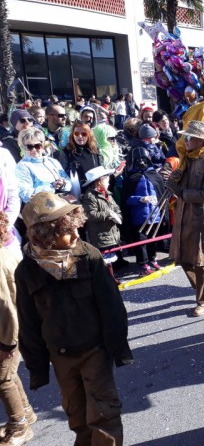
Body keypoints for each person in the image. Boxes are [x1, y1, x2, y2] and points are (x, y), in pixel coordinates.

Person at [15, 193, 132, 446]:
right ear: (45, 234)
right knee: (77, 417)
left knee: (103, 414)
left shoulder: (88, 256)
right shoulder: (26, 271)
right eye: (68, 232)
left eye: (76, 228)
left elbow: (112, 308)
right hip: (61, 356)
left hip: (94, 351)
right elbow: (28, 323)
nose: (77, 236)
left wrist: (118, 349)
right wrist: (36, 368)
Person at [167, 121, 204, 317]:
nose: (186, 141)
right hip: (184, 216)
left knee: (200, 261)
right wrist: (173, 179)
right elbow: (177, 187)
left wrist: (182, 193)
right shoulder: (187, 160)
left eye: (189, 137)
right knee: (181, 258)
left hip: (202, 219)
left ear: (200, 141)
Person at [0, 211, 37, 446]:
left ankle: (20, 426)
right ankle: (25, 412)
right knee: (9, 375)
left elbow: (6, 308)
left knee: (2, 379)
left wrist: (7, 344)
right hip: (16, 326)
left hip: (9, 331)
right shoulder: (6, 250)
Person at [122, 147, 165, 276]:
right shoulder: (130, 179)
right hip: (138, 217)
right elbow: (126, 200)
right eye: (138, 160)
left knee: (153, 239)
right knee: (141, 242)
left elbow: (161, 194)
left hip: (154, 215)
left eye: (144, 159)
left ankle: (152, 259)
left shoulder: (155, 175)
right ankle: (143, 263)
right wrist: (140, 199)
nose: (141, 162)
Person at [81, 166, 122, 279]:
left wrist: (117, 216)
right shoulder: (90, 196)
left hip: (111, 232)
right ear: (99, 182)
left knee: (110, 258)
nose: (109, 183)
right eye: (107, 181)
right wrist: (108, 214)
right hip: (100, 234)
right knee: (103, 259)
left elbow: (116, 209)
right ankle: (107, 280)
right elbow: (90, 214)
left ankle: (111, 278)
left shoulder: (107, 194)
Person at [15, 128, 72, 204]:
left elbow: (69, 183)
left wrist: (63, 184)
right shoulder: (22, 167)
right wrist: (51, 187)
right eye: (29, 147)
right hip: (43, 208)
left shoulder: (52, 162)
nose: (34, 150)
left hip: (63, 202)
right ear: (23, 147)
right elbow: (25, 195)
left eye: (37, 146)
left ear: (42, 145)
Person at [57, 121, 104, 194]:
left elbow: (101, 171)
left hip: (94, 190)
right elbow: (62, 174)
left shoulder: (95, 151)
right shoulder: (66, 152)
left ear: (89, 135)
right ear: (73, 135)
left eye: (84, 134)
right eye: (76, 134)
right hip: (76, 191)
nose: (80, 136)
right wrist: (70, 170)